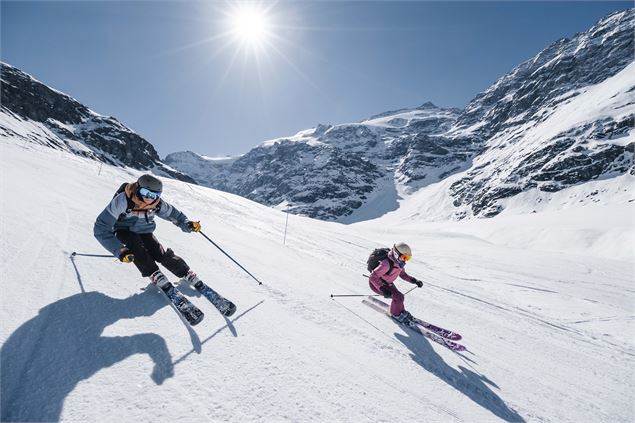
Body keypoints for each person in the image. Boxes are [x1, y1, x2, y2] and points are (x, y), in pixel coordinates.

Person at [93, 174, 234, 315]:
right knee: (138, 250)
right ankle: (154, 273)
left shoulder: (157, 203)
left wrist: (188, 224)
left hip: (145, 231)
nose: (149, 198)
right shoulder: (123, 201)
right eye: (145, 193)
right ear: (137, 188)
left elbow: (176, 216)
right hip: (124, 230)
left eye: (154, 195)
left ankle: (185, 272)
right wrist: (120, 250)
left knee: (159, 252)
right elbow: (101, 228)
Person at [368, 242, 423, 324]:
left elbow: (403, 275)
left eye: (407, 258)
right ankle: (396, 315)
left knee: (399, 297)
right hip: (376, 284)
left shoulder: (399, 263)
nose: (405, 260)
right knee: (399, 297)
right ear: (396, 254)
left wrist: (414, 281)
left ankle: (400, 311)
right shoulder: (386, 264)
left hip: (387, 283)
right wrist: (382, 289)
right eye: (404, 257)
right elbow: (373, 277)